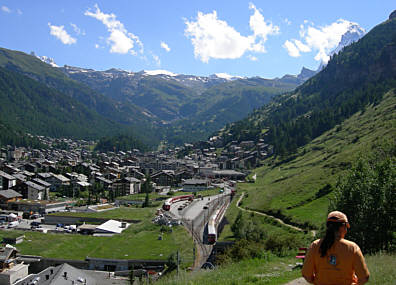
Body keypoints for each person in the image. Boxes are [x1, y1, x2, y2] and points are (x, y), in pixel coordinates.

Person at [302, 211, 370, 285]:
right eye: (346, 227)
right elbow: (364, 277)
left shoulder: (315, 246)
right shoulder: (352, 248)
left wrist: (317, 281)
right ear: (343, 227)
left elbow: (306, 275)